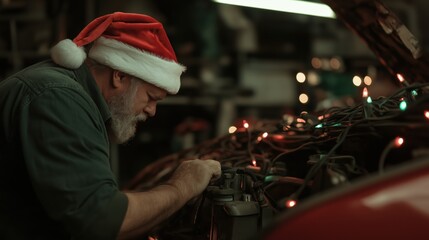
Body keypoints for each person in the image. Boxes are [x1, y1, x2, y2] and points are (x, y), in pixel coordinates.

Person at [0, 12, 221, 240]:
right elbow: (101, 220)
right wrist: (182, 187)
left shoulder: (71, 94)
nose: (152, 111)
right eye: (151, 97)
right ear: (119, 76)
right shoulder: (58, 98)